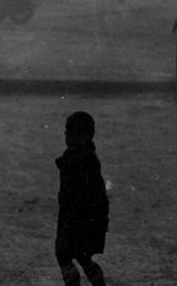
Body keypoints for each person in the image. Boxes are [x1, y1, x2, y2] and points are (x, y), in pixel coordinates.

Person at [55, 111, 108, 286]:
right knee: (83, 257)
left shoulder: (74, 159)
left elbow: (70, 195)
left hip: (73, 219)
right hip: (89, 220)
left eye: (69, 132)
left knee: (63, 256)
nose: (66, 135)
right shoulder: (89, 157)